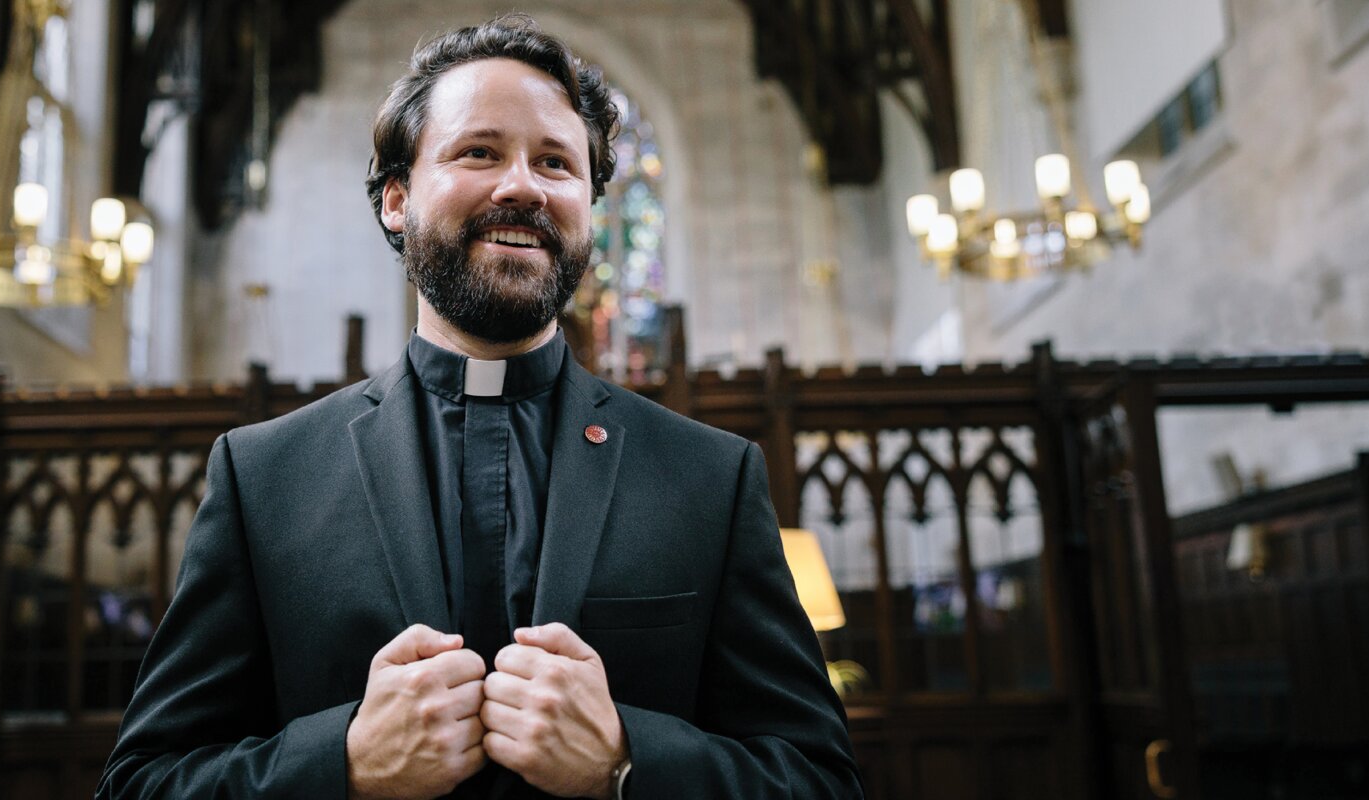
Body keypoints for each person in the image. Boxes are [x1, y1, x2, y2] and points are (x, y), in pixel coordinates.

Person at [97, 14, 862, 799]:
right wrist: (345, 763)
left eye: (557, 164)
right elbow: (141, 783)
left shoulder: (710, 478)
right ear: (397, 199)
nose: (523, 186)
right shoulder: (265, 477)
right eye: (479, 152)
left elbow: (821, 781)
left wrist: (628, 758)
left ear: (590, 210)